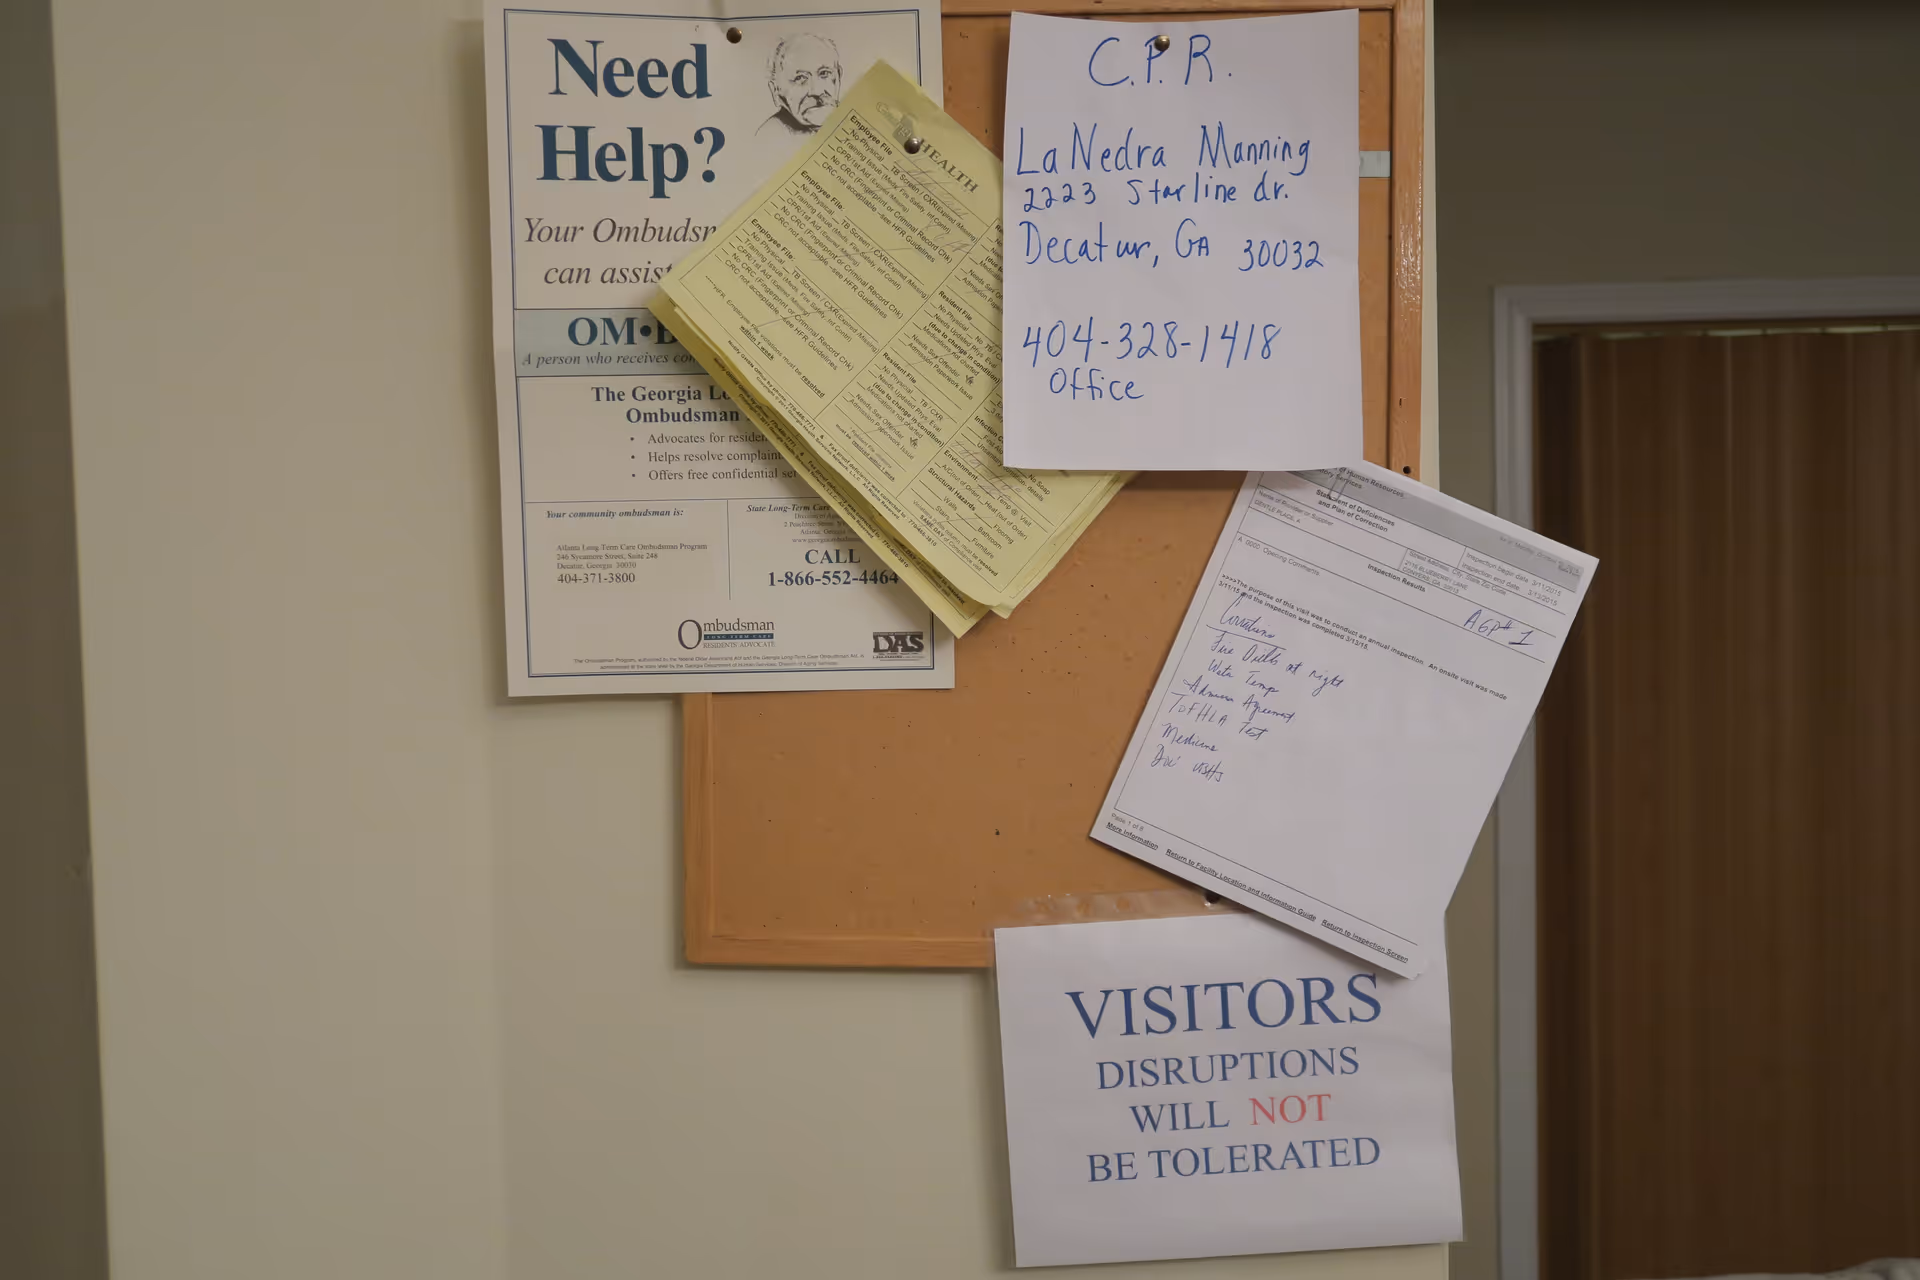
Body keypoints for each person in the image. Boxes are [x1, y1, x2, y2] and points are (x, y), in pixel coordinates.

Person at [755, 34, 841, 138]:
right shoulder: (769, 137)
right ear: (776, 91)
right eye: (800, 78)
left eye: (824, 73)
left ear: (838, 76)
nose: (817, 91)